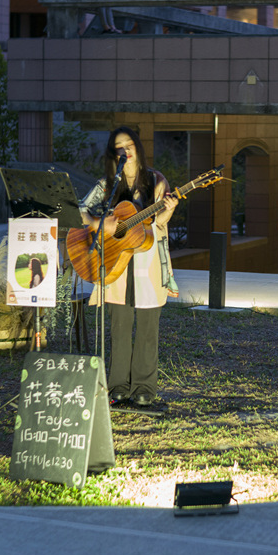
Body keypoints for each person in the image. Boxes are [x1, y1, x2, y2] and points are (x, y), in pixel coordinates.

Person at [78, 127, 179, 407]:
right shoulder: (107, 185)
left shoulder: (156, 181)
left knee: (147, 327)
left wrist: (167, 210)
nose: (126, 151)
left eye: (130, 144)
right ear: (114, 154)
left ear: (139, 147)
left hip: (148, 265)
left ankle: (144, 387)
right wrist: (102, 224)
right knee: (119, 326)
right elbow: (79, 209)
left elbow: (159, 222)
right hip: (115, 263)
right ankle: (118, 385)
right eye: (119, 147)